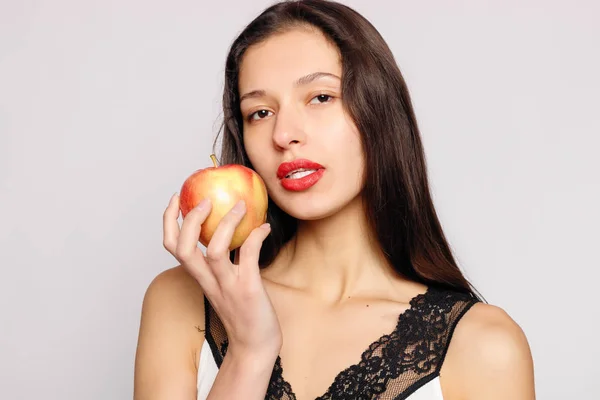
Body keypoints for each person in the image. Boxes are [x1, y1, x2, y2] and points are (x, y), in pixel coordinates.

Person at [134, 1, 535, 399]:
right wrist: (249, 354)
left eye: (321, 97)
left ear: (379, 111)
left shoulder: (483, 346)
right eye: (259, 112)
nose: (284, 134)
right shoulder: (180, 303)